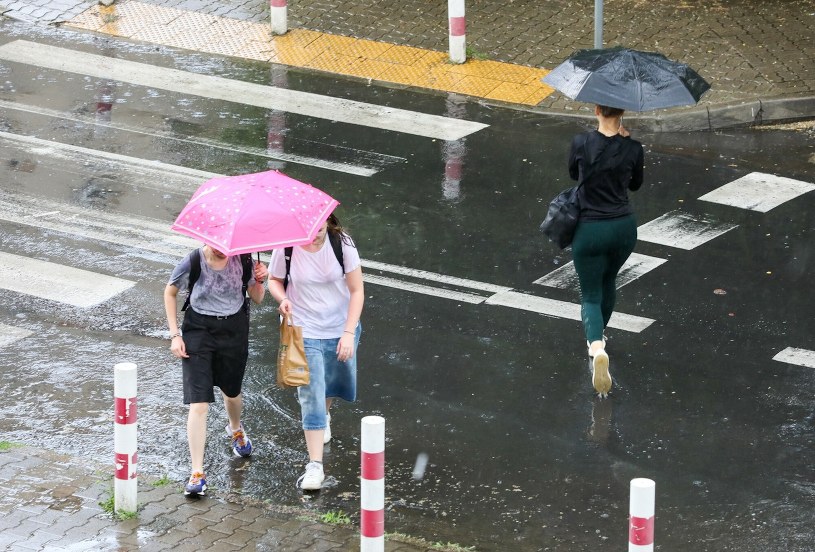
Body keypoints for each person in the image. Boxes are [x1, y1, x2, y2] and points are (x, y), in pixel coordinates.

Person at [267, 213, 364, 490]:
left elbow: (357, 291)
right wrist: (283, 298)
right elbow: (274, 279)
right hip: (303, 329)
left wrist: (348, 332)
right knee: (310, 394)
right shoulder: (286, 247)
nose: (314, 237)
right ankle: (314, 466)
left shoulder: (341, 244)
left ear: (327, 223)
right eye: (308, 232)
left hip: (339, 327)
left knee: (330, 385)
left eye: (319, 230)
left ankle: (325, 415)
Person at [164, 245, 268, 497]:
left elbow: (257, 298)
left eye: (226, 247)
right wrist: (175, 335)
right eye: (217, 246)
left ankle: (235, 428)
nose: (222, 251)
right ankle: (197, 472)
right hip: (198, 331)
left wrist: (259, 280)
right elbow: (170, 292)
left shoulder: (244, 259)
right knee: (198, 404)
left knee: (231, 392)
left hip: (234, 330)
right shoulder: (193, 260)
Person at [569, 104, 644, 396]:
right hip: (623, 227)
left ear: (597, 109)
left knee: (590, 293)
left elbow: (573, 172)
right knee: (609, 280)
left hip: (590, 228)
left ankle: (596, 345)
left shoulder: (581, 143)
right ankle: (597, 337)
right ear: (622, 110)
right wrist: (624, 143)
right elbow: (636, 184)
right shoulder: (634, 148)